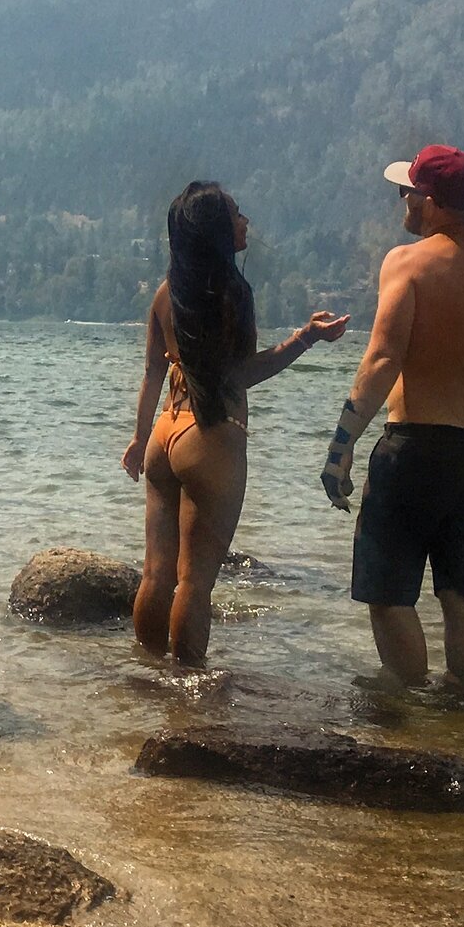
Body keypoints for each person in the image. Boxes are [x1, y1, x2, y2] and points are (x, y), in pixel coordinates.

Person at [319, 145, 464, 699]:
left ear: (431, 201)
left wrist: (341, 447)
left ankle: (408, 711)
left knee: (389, 595)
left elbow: (382, 359)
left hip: (414, 451)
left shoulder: (406, 263)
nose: (402, 202)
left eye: (407, 192)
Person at [124, 182, 348, 663]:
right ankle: (185, 688)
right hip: (210, 438)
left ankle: (144, 676)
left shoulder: (166, 293)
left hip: (164, 435)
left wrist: (139, 439)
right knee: (194, 582)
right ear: (215, 231)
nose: (245, 221)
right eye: (236, 214)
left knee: (156, 574)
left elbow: (152, 372)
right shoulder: (231, 293)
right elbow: (242, 373)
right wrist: (305, 338)